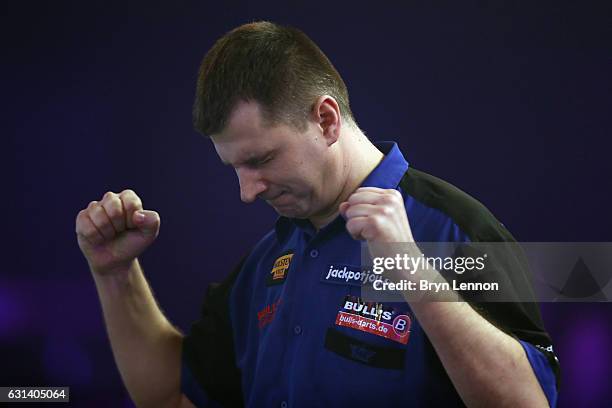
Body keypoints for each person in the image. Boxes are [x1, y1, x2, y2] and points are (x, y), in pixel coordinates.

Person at [76, 21, 560, 407]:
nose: (246, 192)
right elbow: (170, 396)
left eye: (261, 160)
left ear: (326, 120)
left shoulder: (456, 229)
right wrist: (114, 271)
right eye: (234, 167)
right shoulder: (269, 259)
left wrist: (412, 272)